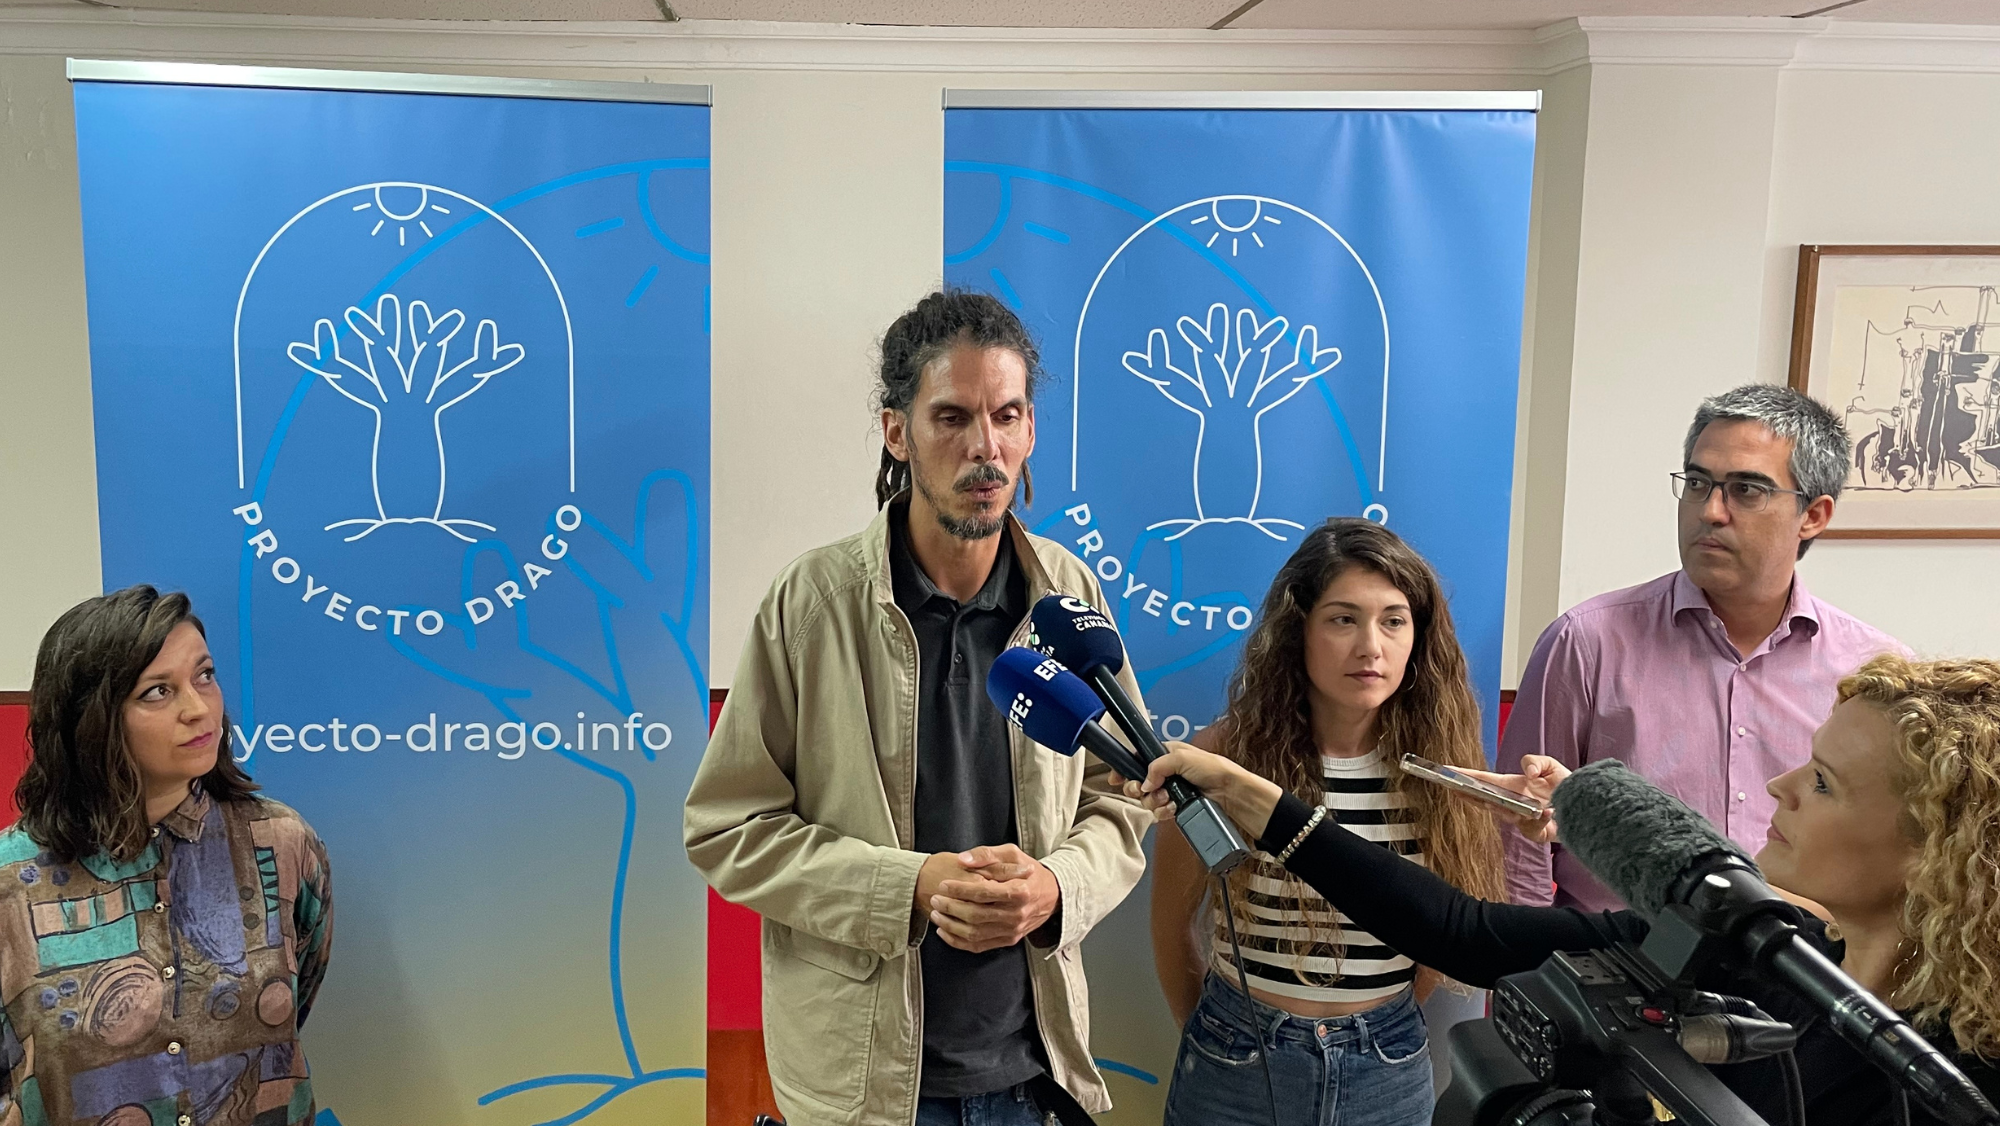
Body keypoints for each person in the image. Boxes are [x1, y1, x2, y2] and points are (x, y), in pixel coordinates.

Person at [1124, 652, 2000, 1125]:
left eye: (1827, 783)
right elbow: (1466, 932)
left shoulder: (1963, 1078)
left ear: (1935, 853)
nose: (1781, 791)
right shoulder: (1750, 956)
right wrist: (1259, 802)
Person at [682, 290, 1151, 1126]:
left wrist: (1054, 885)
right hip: (864, 1092)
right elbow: (728, 829)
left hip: (1033, 1074)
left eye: (1008, 416)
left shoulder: (1069, 596)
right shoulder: (811, 606)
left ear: (1032, 429)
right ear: (896, 431)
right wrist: (911, 886)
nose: (986, 448)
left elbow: (1120, 800)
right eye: (952, 418)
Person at [1148, 518, 1504, 1126]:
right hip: (1235, 1058)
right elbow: (1169, 925)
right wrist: (1228, 1037)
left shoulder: (1441, 774)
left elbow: (1435, 935)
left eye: (1394, 620)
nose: (1372, 646)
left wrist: (1375, 1023)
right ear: (1299, 631)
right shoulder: (1228, 758)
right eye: (1343, 619)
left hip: (1387, 1066)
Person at [1503, 384, 1905, 910]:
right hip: (1613, 972)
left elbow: (1893, 855)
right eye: (1697, 483)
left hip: (1788, 976)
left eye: (1746, 490)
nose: (1711, 511)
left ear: (1814, 514)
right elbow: (1519, 836)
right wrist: (1528, 970)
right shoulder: (1587, 642)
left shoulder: (1872, 674)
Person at [7, 585, 334, 1126]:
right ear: (92, 718)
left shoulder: (281, 840)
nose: (198, 708)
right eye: (158, 691)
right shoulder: (11, 882)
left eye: (204, 676)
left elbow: (293, 1003)